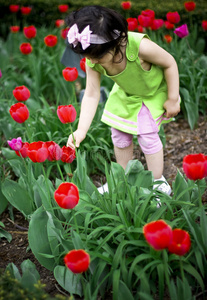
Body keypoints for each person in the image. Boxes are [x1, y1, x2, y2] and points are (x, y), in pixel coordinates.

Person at [65, 5, 180, 195]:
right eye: (87, 57)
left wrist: (173, 98)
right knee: (118, 133)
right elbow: (92, 93)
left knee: (147, 135)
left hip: (152, 92)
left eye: (97, 57)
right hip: (126, 93)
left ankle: (158, 183)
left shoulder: (139, 46)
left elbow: (170, 63)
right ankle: (123, 178)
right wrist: (81, 129)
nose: (92, 62)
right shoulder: (94, 59)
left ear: (116, 41)